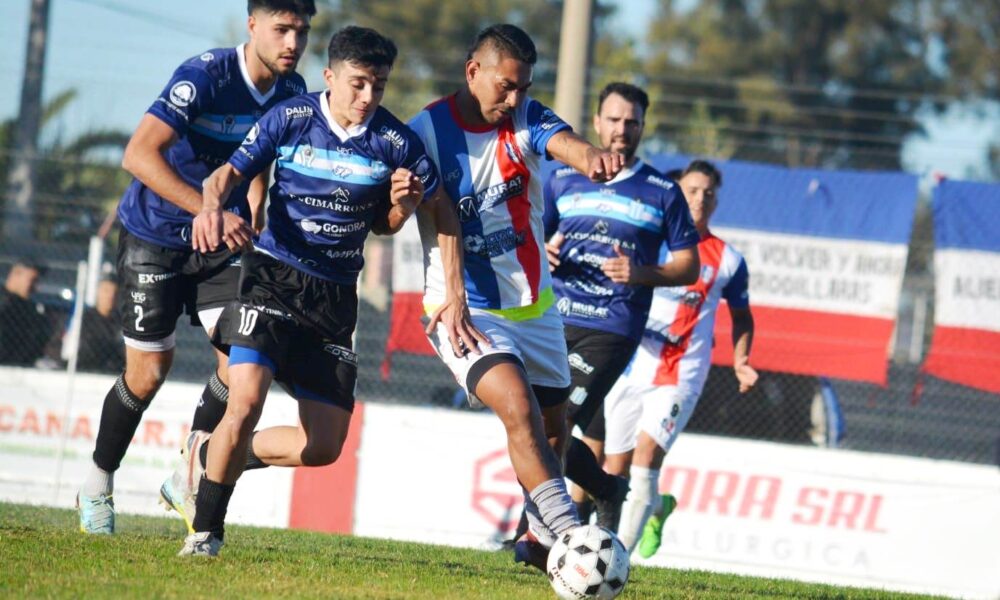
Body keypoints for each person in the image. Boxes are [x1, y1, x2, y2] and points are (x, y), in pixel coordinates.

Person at [176, 25, 478, 557]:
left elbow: (405, 219)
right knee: (244, 401)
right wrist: (210, 209)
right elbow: (225, 175)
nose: (368, 98)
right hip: (273, 278)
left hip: (335, 298)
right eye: (359, 84)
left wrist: (405, 209)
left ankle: (212, 457)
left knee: (323, 448)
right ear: (331, 77)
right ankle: (206, 534)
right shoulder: (290, 119)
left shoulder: (395, 141)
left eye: (379, 87)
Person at [76, 0, 315, 535]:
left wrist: (253, 197)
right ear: (252, 24)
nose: (292, 43)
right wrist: (206, 208)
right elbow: (138, 154)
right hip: (155, 236)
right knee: (148, 374)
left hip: (221, 245)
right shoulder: (204, 75)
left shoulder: (291, 92)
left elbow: (261, 150)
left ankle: (189, 470)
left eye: (301, 31)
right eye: (281, 30)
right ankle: (97, 480)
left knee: (241, 366)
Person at [406, 24, 627, 571]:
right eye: (506, 85)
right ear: (472, 71)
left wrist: (590, 158)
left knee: (554, 433)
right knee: (517, 407)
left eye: (523, 87)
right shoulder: (424, 132)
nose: (515, 98)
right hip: (461, 309)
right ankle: (578, 541)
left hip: (535, 308)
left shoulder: (526, 116)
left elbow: (566, 144)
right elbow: (392, 219)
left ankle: (537, 537)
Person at [542, 82, 700, 533]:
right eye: (613, 120)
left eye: (632, 122)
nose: (622, 130)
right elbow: (530, 236)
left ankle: (539, 532)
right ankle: (608, 489)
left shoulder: (661, 191)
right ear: (596, 123)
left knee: (561, 421)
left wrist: (641, 272)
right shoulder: (563, 178)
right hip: (553, 319)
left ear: (643, 128)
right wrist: (542, 251)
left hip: (613, 324)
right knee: (537, 426)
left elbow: (689, 266)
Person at [601, 159, 758, 555]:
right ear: (676, 193)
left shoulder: (728, 260)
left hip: (681, 373)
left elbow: (742, 317)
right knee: (614, 468)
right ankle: (657, 506)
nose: (700, 199)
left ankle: (619, 560)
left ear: (717, 201)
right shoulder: (649, 243)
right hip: (632, 365)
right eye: (692, 190)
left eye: (708, 193)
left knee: (646, 457)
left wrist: (741, 359)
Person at [0, 257, 51, 366]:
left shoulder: (29, 309)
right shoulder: (5, 304)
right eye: (32, 280)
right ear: (16, 274)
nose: (35, 287)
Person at [76, 277, 125, 373]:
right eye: (106, 291)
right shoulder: (84, 318)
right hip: (84, 368)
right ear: (98, 292)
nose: (110, 296)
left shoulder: (122, 322)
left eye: (115, 292)